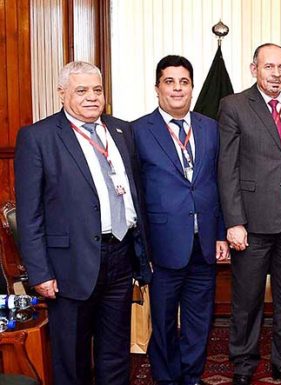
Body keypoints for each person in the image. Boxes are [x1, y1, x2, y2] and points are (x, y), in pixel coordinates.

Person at [14, 61, 151, 385]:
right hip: (69, 264)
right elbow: (30, 213)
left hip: (120, 255)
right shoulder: (39, 137)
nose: (92, 97)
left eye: (97, 90)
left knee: (116, 349)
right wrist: (40, 272)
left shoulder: (121, 130)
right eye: (81, 90)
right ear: (62, 94)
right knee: (72, 355)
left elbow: (134, 193)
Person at [218, 43, 281, 385]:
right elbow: (226, 168)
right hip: (252, 224)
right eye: (269, 66)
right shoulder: (234, 106)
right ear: (253, 68)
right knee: (247, 301)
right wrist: (233, 222)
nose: (276, 74)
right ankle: (243, 365)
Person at [131, 55, 228, 385]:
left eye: (183, 82)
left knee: (200, 319)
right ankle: (166, 378)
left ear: (192, 87)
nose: (177, 88)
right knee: (162, 320)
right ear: (157, 88)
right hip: (163, 246)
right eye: (169, 82)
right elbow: (135, 193)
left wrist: (221, 234)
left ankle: (191, 376)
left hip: (204, 244)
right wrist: (142, 249)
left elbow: (220, 182)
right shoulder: (136, 131)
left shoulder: (210, 127)